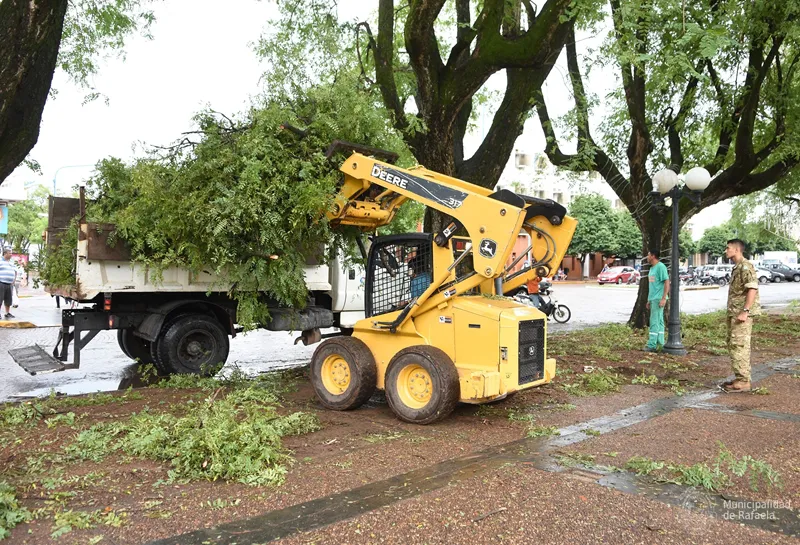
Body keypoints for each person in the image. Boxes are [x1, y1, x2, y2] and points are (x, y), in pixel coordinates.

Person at [722, 239, 760, 393]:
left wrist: (745, 311)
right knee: (734, 344)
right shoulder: (737, 267)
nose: (726, 251)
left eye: (728, 248)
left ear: (737, 250)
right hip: (734, 313)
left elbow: (752, 289)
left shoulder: (746, 266)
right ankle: (740, 377)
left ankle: (744, 381)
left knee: (740, 345)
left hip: (741, 314)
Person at [645, 249, 669, 352]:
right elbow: (652, 286)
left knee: (654, 321)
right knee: (659, 320)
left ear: (653, 256)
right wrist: (649, 300)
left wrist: (664, 298)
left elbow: (667, 282)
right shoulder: (651, 269)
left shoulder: (661, 267)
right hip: (653, 299)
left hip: (658, 298)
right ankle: (661, 343)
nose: (647, 257)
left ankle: (652, 345)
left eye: (648, 255)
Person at [0, 247, 17, 319]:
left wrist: (14, 281)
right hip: (1, 282)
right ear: (5, 253)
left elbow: (15, 271)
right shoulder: (0, 261)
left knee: (9, 299)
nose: (11, 254)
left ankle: (7, 313)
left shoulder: (11, 262)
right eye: (10, 253)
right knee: (0, 299)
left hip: (9, 283)